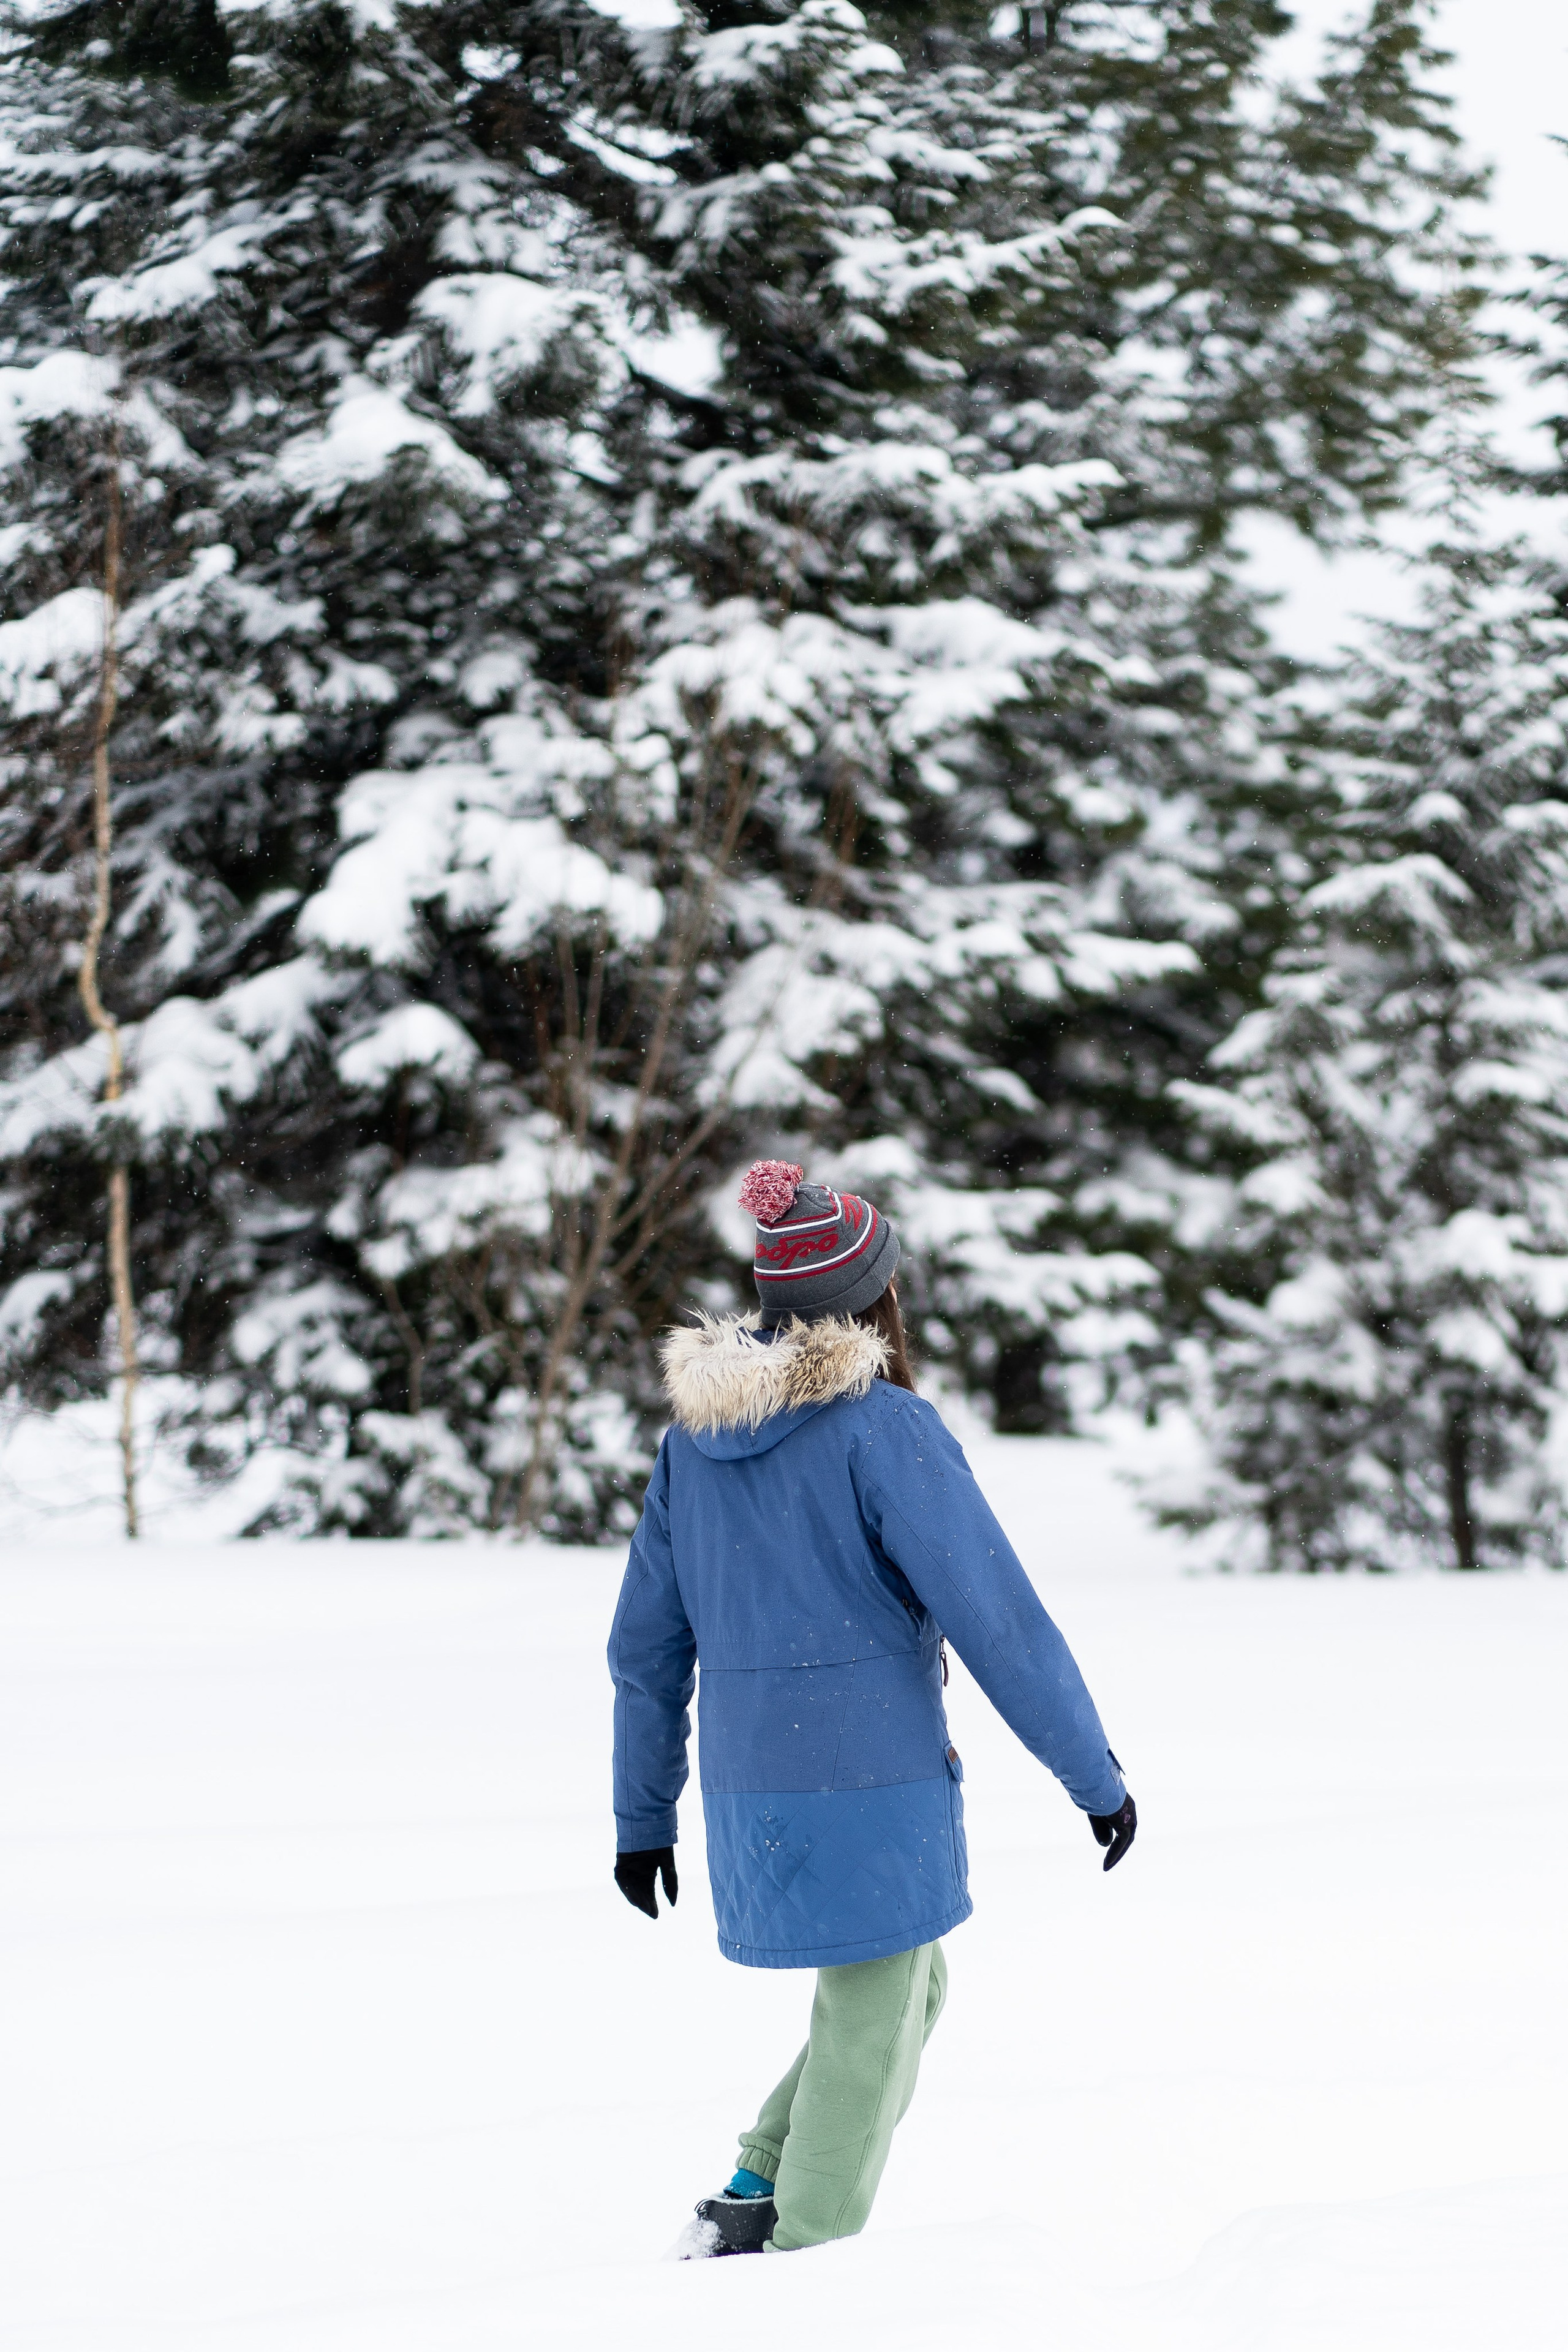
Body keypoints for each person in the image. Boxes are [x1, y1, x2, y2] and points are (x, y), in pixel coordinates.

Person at [608, 1162, 1137, 2256]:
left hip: (752, 1788)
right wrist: (1095, 1778)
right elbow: (998, 1620)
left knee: (904, 1989)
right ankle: (802, 2258)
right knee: (876, 2010)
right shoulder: (881, 1429)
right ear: (875, 1297)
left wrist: (644, 1816)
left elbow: (645, 1654)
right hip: (872, 1781)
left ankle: (756, 2183)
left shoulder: (691, 1448)